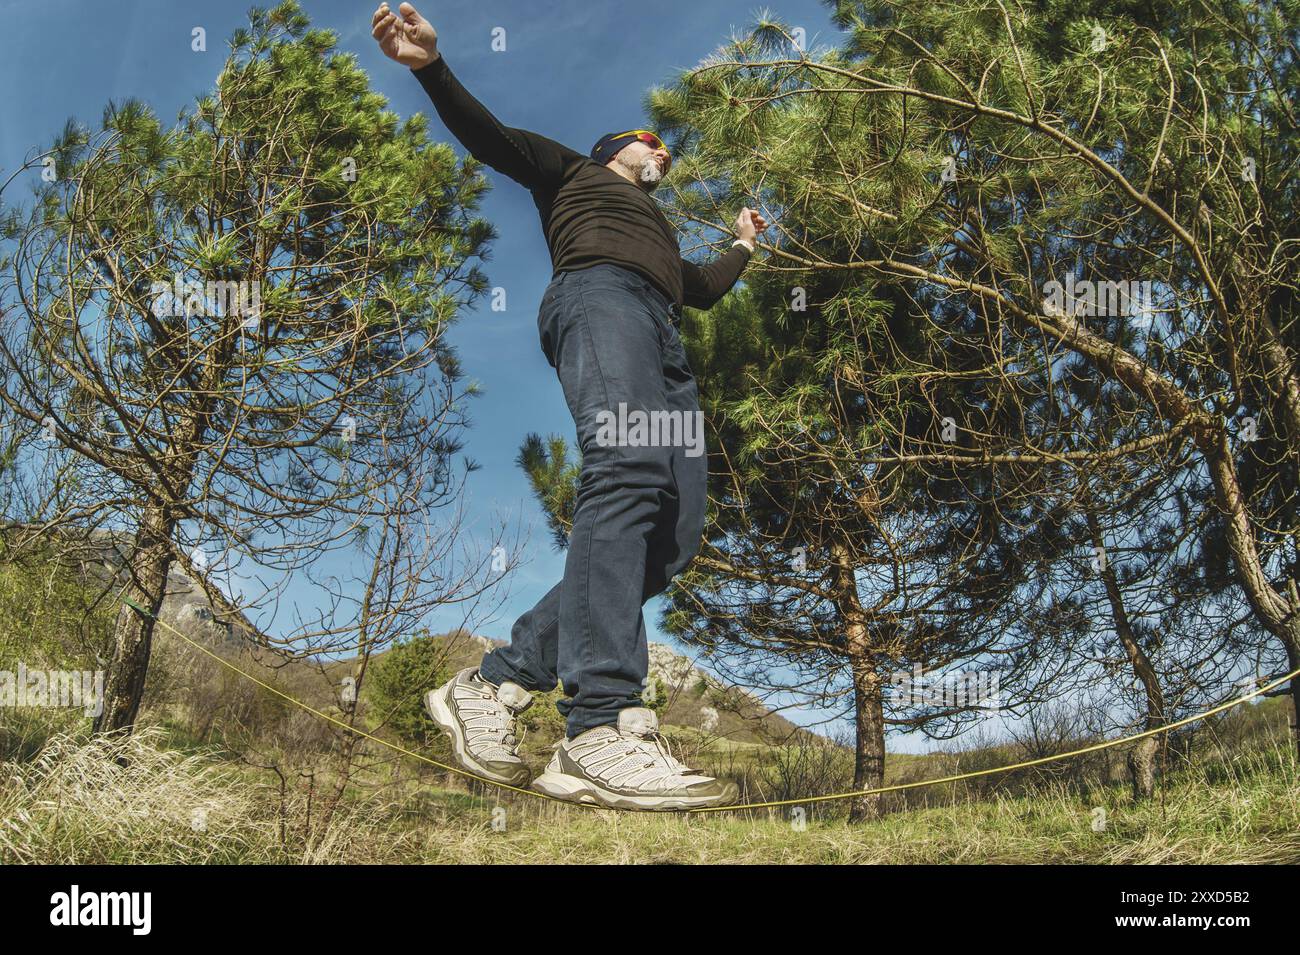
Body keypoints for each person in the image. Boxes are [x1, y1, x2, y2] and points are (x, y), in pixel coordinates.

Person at [371, 2, 767, 810]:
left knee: (673, 532)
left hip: (660, 331)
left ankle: (496, 684)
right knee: (624, 466)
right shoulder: (574, 174)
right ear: (612, 151)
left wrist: (745, 247)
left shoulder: (656, 226)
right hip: (599, 302)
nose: (661, 150)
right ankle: (597, 726)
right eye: (648, 141)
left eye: (667, 148)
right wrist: (432, 69)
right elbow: (495, 141)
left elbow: (703, 289)